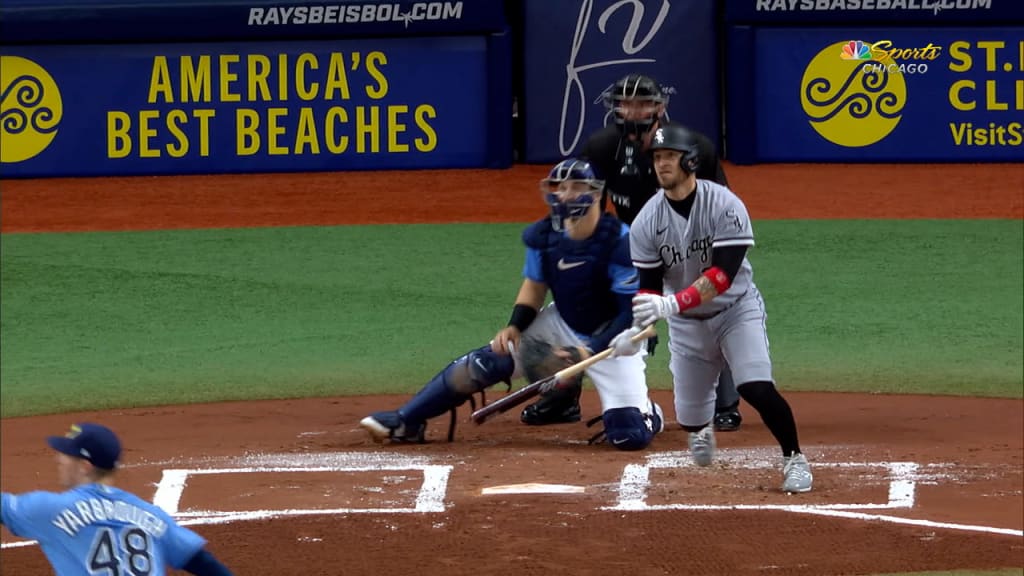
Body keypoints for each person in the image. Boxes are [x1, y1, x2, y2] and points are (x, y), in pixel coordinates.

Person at [360, 158, 663, 450]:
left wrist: (588, 349)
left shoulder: (621, 243)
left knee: (628, 437)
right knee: (487, 360)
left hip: (613, 337)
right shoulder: (545, 237)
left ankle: (650, 413)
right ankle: (407, 420)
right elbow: (534, 288)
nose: (566, 194)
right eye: (561, 187)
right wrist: (515, 326)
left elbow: (628, 312)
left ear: (596, 193)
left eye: (576, 187)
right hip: (562, 322)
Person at [521, 73, 743, 434]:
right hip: (632, 254)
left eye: (642, 103)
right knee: (582, 302)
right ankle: (562, 397)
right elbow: (586, 202)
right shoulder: (603, 146)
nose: (632, 110)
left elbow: (720, 207)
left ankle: (724, 402)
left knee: (710, 310)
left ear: (659, 108)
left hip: (687, 249)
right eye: (625, 103)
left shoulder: (692, 147)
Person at [627, 123, 813, 493]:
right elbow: (648, 287)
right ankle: (701, 432)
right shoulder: (646, 221)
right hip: (686, 325)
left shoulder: (725, 205)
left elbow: (722, 276)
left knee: (755, 386)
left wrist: (671, 302)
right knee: (692, 418)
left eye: (669, 157)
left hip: (735, 310)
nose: (661, 164)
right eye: (657, 157)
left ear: (690, 161)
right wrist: (643, 329)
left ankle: (795, 459)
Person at [1, 422, 234, 575]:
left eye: (67, 455)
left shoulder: (51, 510)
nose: (59, 460)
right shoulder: (152, 516)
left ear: (84, 466)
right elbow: (202, 563)